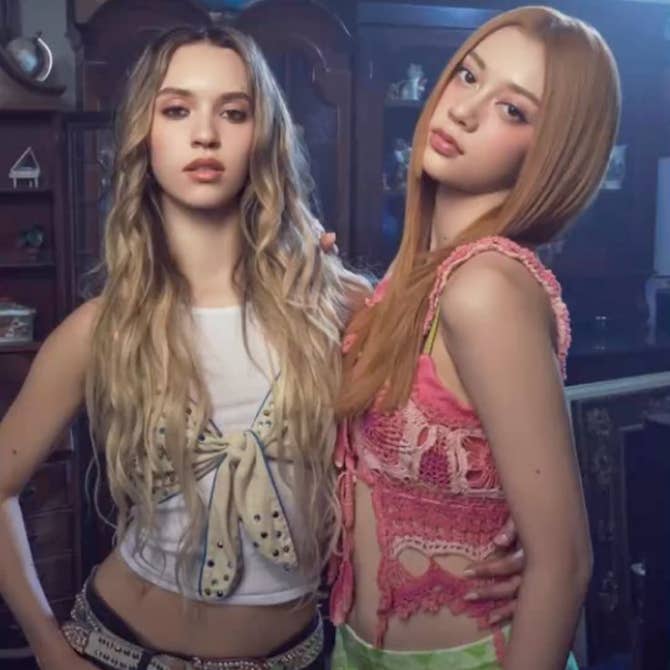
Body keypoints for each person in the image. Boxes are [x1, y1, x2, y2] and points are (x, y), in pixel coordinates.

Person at [0, 24, 524, 670]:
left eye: (233, 112)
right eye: (177, 109)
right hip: (123, 651)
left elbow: (428, 440)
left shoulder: (335, 307)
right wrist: (48, 647)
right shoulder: (101, 328)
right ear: (144, 135)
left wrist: (499, 527)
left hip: (297, 657)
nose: (205, 134)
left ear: (263, 137)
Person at [330, 6, 621, 670]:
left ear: (551, 152)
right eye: (468, 75)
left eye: (512, 110)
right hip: (358, 652)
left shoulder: (486, 289)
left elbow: (565, 562)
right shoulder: (414, 281)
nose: (462, 110)